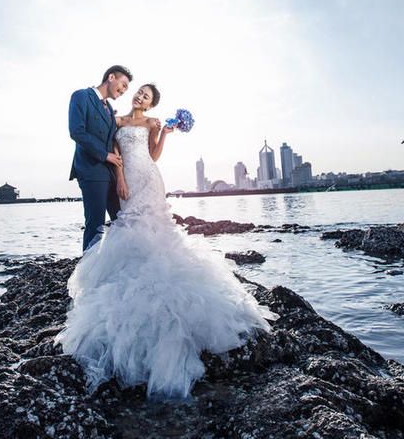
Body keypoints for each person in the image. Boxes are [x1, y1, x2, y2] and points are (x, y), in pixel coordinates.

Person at [56, 83, 279, 401]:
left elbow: (154, 155)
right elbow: (115, 155)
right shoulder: (116, 120)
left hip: (149, 176)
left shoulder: (152, 122)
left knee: (155, 226)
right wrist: (119, 178)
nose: (140, 96)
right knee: (130, 223)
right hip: (127, 178)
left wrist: (165, 134)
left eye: (146, 96)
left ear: (150, 104)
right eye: (138, 92)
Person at [68, 65, 132, 251]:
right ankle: (88, 267)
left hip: (111, 173)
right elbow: (77, 132)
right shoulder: (81, 96)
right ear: (111, 77)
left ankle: (117, 261)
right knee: (95, 223)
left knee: (121, 219)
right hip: (91, 169)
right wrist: (105, 155)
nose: (124, 91)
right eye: (123, 84)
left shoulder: (109, 108)